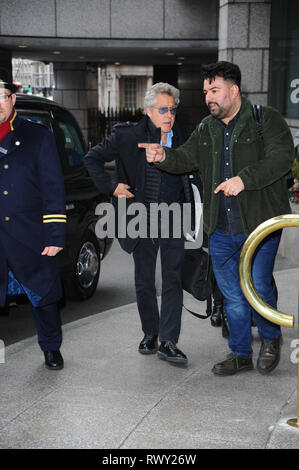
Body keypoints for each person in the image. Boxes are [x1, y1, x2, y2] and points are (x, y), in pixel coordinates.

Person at [139, 61, 294, 376]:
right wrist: (164, 155)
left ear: (233, 90)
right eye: (205, 91)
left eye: (214, 90)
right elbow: (185, 157)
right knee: (232, 296)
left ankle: (270, 338)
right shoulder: (205, 128)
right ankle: (240, 353)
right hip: (221, 228)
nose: (208, 96)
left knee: (259, 285)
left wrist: (244, 179)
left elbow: (281, 158)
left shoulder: (265, 119)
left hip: (260, 223)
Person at [84, 82, 198, 365]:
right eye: (162, 110)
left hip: (173, 216)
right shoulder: (128, 136)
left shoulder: (184, 136)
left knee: (172, 278)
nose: (168, 115)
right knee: (144, 280)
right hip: (140, 218)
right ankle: (151, 332)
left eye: (172, 109)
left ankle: (169, 341)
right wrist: (112, 188)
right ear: (148, 110)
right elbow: (92, 158)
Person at [0, 68, 66, 370]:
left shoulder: (37, 136)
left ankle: (51, 346)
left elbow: (53, 188)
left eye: (2, 97)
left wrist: (54, 235)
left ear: (13, 98)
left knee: (43, 294)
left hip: (29, 233)